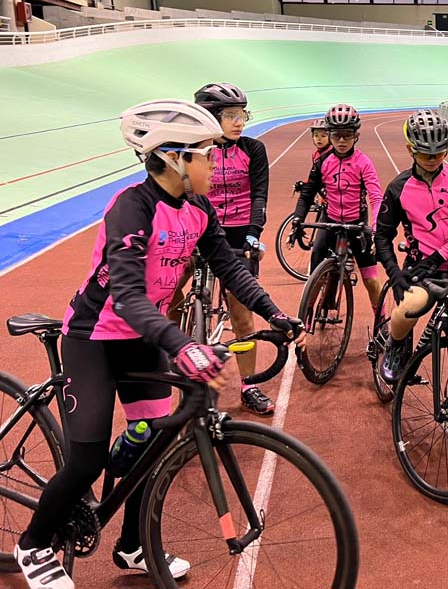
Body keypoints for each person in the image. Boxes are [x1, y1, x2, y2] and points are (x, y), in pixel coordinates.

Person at [14, 100, 301, 589]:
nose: (215, 163)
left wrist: (272, 311)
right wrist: (183, 344)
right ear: (173, 158)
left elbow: (229, 265)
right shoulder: (132, 207)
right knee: (86, 460)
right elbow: (125, 297)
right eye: (205, 154)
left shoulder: (197, 208)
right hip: (93, 339)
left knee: (152, 440)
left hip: (142, 340)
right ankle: (33, 545)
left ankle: (132, 547)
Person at [373, 109, 448, 444]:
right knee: (409, 307)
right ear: (412, 149)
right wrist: (394, 273)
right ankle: (396, 347)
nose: (433, 159)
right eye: (426, 154)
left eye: (440, 153)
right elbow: (381, 234)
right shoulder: (399, 187)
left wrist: (438, 257)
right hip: (417, 271)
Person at [191, 82, 276, 415]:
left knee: (242, 314)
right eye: (230, 115)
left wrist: (254, 234)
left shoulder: (253, 149)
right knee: (169, 294)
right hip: (200, 227)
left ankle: (249, 385)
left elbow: (259, 195)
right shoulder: (197, 149)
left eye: (242, 114)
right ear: (211, 118)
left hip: (240, 232)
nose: (239, 122)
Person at [292, 104, 383, 312]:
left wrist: (376, 228)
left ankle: (382, 325)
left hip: (356, 223)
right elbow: (307, 193)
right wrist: (298, 219)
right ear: (330, 135)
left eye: (347, 135)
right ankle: (305, 320)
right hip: (329, 220)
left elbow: (376, 198)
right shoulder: (323, 161)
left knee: (371, 280)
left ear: (356, 135)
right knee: (314, 277)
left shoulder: (364, 162)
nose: (342, 141)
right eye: (336, 135)